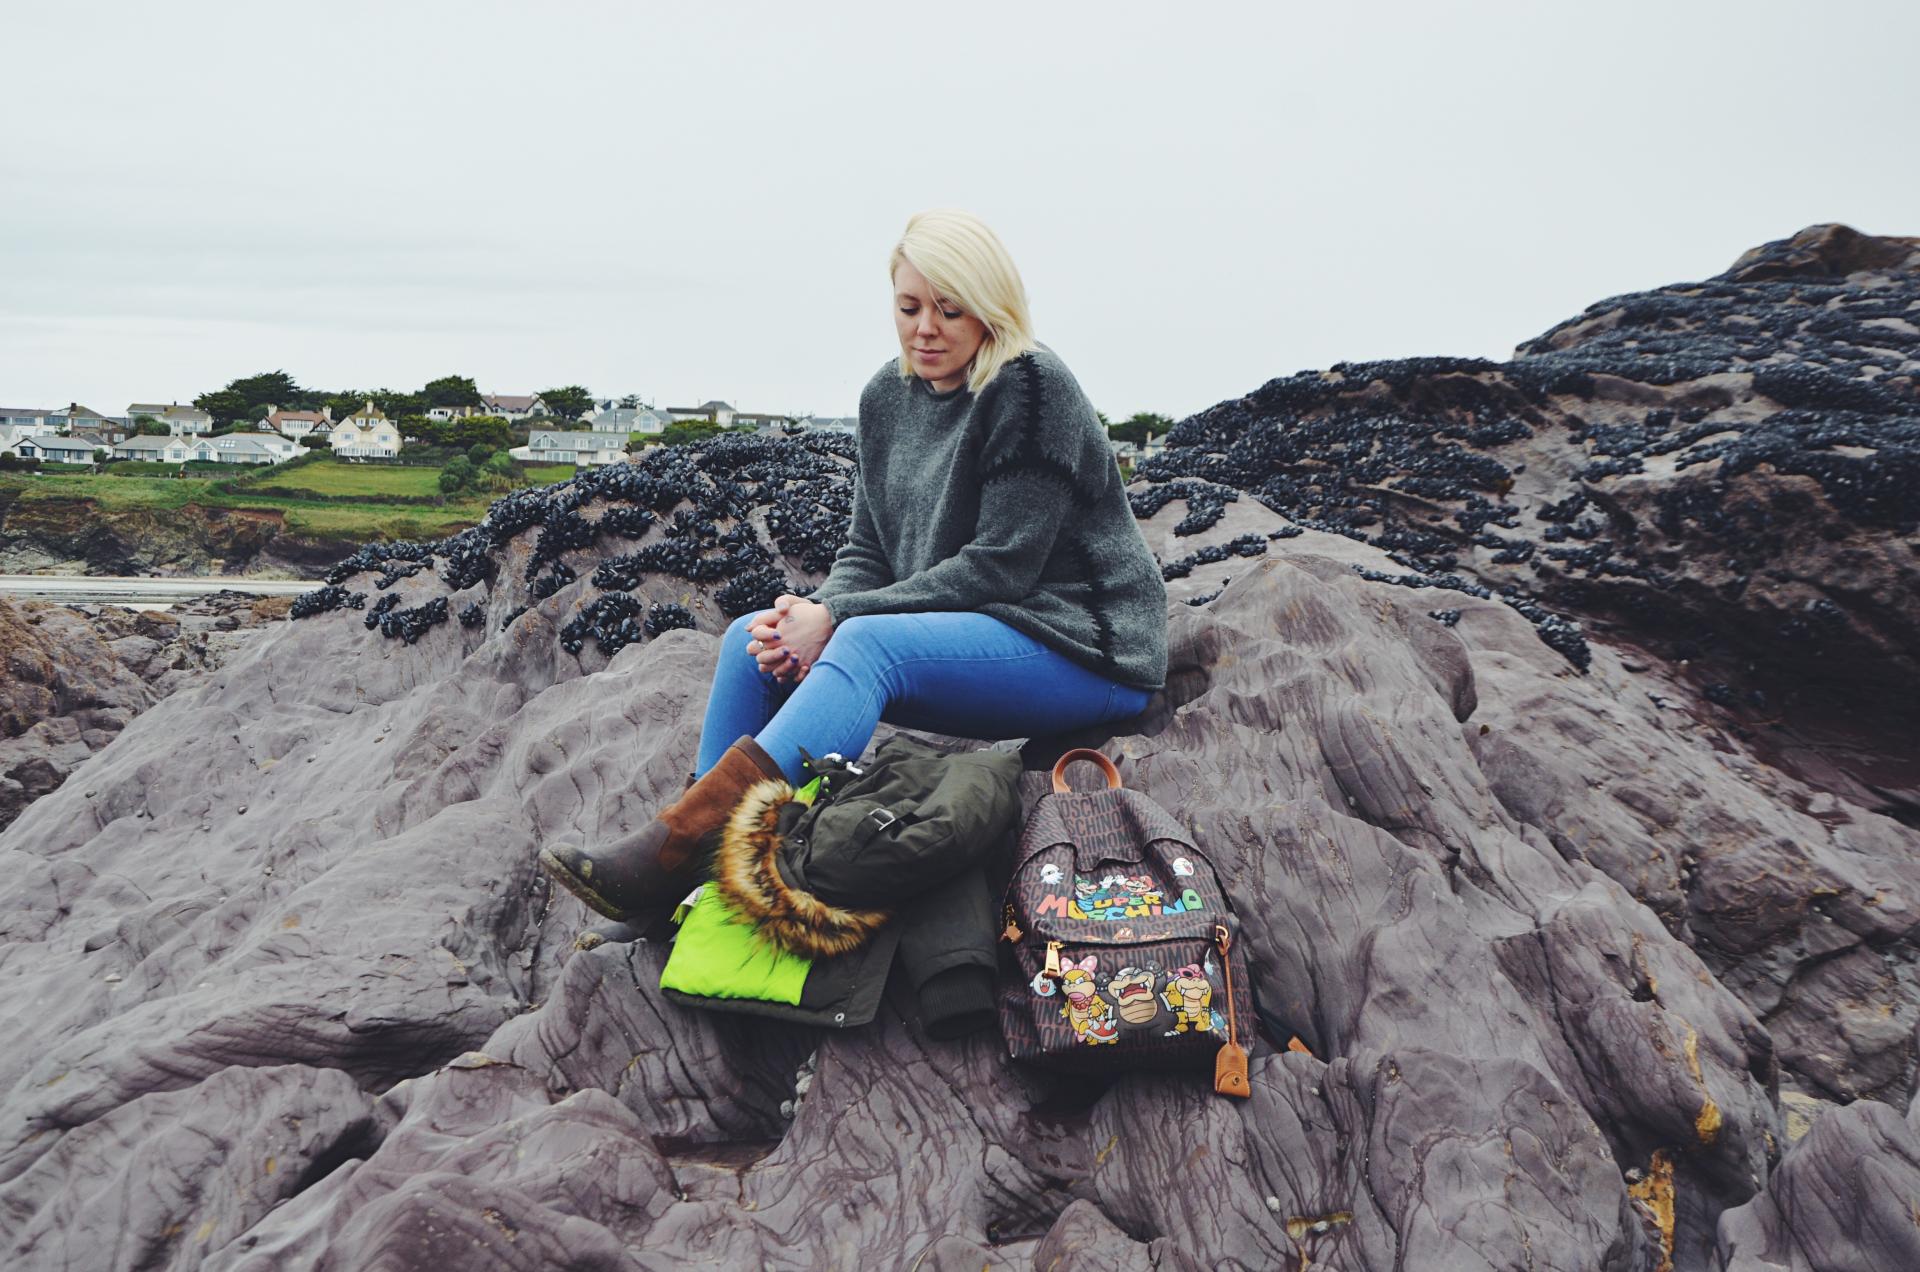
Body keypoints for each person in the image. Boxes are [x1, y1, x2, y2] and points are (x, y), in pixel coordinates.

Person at [540, 208, 1170, 934]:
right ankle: (684, 883)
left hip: (1086, 647)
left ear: (991, 309)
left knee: (868, 645)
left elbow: (1001, 568)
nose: (924, 329)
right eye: (908, 307)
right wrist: (811, 614)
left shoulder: (1031, 387)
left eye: (949, 310)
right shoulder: (885, 397)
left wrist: (839, 618)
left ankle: (678, 852)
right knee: (753, 637)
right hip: (986, 628)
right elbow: (867, 550)